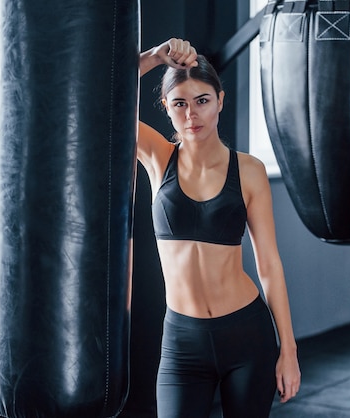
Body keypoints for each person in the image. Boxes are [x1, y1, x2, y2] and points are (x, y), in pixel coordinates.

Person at [137, 38, 301, 418]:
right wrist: (154, 58)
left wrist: (288, 350)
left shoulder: (249, 170)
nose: (192, 115)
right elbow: (104, 99)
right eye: (180, 103)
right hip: (182, 340)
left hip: (245, 335)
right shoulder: (158, 158)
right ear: (166, 108)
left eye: (202, 101)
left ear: (220, 101)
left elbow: (269, 265)